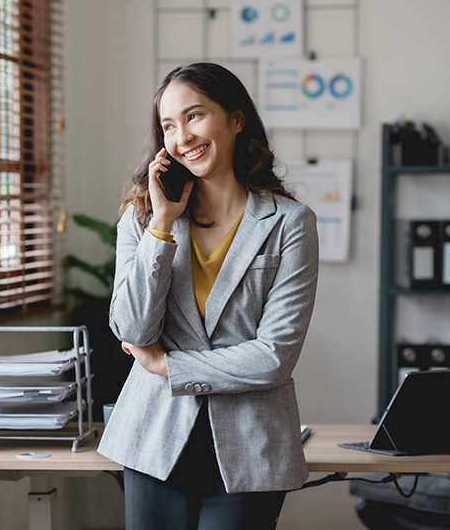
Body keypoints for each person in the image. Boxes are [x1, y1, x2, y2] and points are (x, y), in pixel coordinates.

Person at [97, 62, 319, 530]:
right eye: (169, 126)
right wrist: (161, 224)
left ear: (236, 119)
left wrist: (165, 365)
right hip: (153, 441)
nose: (182, 137)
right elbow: (133, 328)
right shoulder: (140, 219)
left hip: (250, 449)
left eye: (195, 116)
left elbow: (274, 357)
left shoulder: (289, 225)